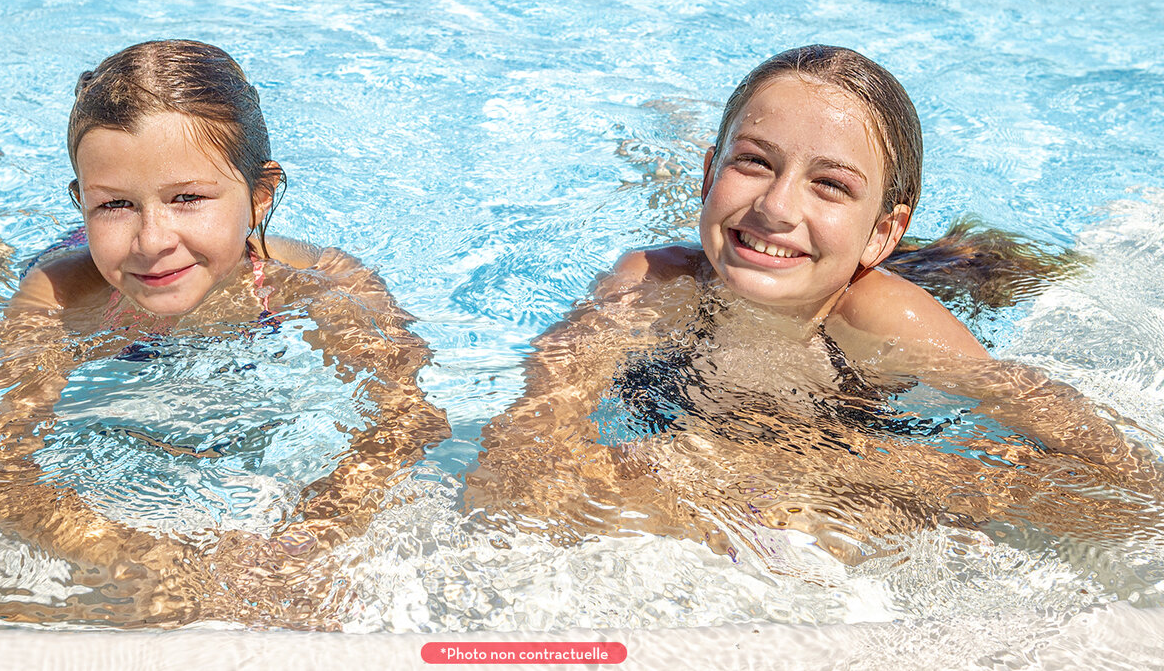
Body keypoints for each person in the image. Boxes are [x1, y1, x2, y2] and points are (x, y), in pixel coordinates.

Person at [465, 45, 1162, 564]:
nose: (775, 204)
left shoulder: (889, 323)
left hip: (854, 380)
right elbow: (521, 453)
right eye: (754, 162)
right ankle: (678, 152)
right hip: (729, 393)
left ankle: (959, 254)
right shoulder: (652, 285)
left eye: (829, 183)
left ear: (883, 230)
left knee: (973, 268)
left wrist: (822, 474)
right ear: (711, 175)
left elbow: (1103, 470)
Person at [0, 39, 449, 626]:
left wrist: (309, 538)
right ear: (80, 204)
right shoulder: (61, 297)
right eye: (114, 206)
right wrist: (132, 554)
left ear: (259, 196)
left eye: (187, 198)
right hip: (85, 296)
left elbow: (406, 418)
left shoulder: (318, 284)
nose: (152, 240)